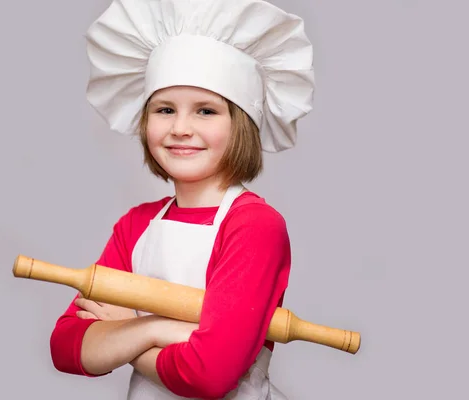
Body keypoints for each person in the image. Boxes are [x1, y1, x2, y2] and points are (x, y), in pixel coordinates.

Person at [49, 0, 315, 398]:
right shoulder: (135, 226)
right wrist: (160, 329)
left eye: (206, 111)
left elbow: (207, 376)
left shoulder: (255, 226)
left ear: (242, 124)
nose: (180, 128)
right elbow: (66, 347)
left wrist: (127, 332)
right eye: (165, 109)